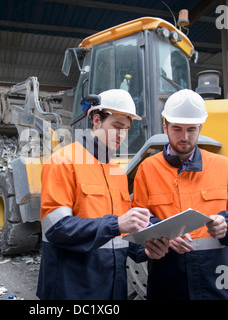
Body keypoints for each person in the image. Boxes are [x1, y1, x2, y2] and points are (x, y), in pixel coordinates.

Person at [36, 89, 165, 300]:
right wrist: (116, 224)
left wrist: (146, 251)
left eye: (126, 130)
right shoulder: (63, 162)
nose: (121, 136)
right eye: (116, 127)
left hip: (112, 289)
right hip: (71, 290)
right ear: (96, 120)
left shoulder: (117, 173)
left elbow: (120, 237)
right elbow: (56, 228)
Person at [131, 89, 228, 300]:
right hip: (167, 278)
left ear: (200, 128)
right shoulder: (148, 169)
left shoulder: (224, 166)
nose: (184, 137)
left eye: (191, 129)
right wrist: (166, 237)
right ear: (165, 126)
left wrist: (227, 225)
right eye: (177, 129)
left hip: (216, 278)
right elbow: (138, 225)